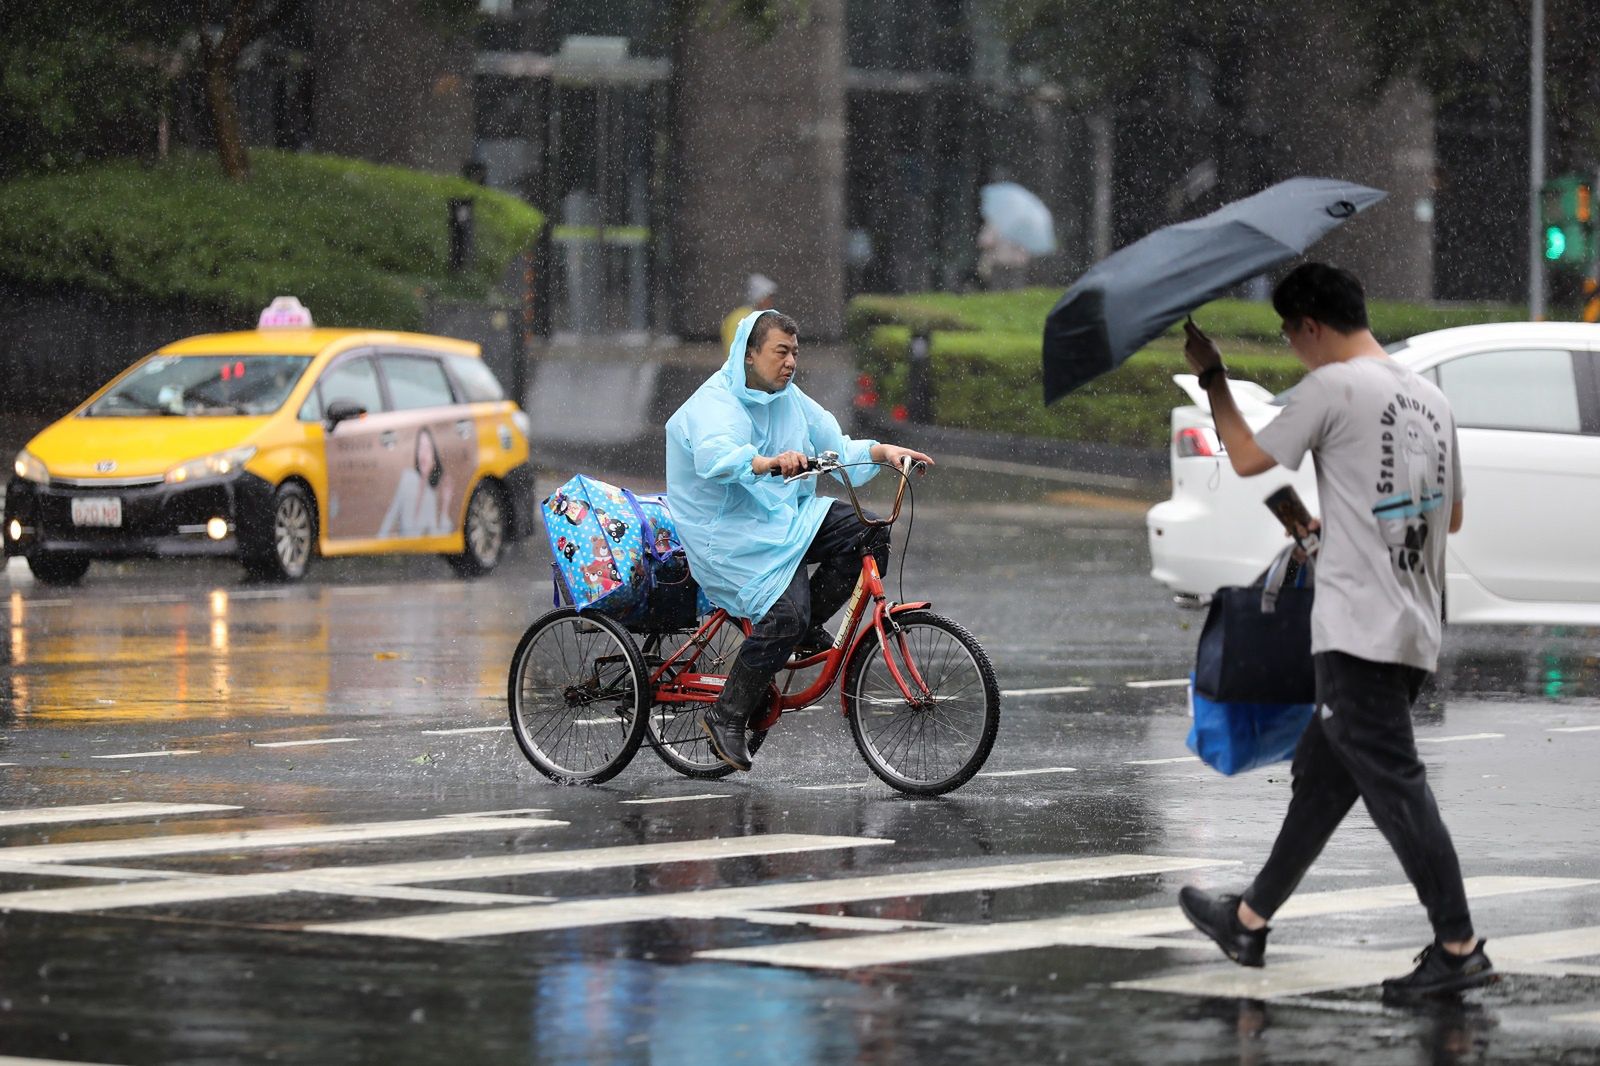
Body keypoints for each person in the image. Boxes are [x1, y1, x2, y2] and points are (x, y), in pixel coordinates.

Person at [1175, 262, 1494, 1003]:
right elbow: (1449, 518)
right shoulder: (1430, 399)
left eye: (1291, 335)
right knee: (1322, 782)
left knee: (1398, 788)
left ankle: (1458, 945)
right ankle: (1248, 921)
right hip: (1414, 623)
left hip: (1358, 631)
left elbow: (1250, 457)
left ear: (1312, 326)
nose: (1294, 349)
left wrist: (1215, 377)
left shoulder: (1332, 387)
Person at [666, 308, 933, 772]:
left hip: (783, 520)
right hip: (728, 536)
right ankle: (727, 715)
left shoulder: (791, 399)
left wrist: (884, 451)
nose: (790, 363)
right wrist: (767, 462)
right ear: (749, 355)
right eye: (780, 352)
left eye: (795, 353)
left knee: (870, 532)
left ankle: (807, 628)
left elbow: (839, 445)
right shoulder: (714, 403)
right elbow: (717, 456)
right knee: (786, 613)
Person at [379, 427, 454, 538]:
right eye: (420, 447)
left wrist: (445, 505)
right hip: (401, 550)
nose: (423, 453)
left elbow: (437, 538)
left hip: (416, 553)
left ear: (435, 458)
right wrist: (380, 542)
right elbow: (391, 515)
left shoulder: (431, 496)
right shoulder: (407, 478)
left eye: (428, 448)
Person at [721, 273, 778, 354]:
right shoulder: (742, 318)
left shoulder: (757, 317)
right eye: (767, 297)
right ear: (759, 298)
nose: (770, 302)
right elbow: (737, 351)